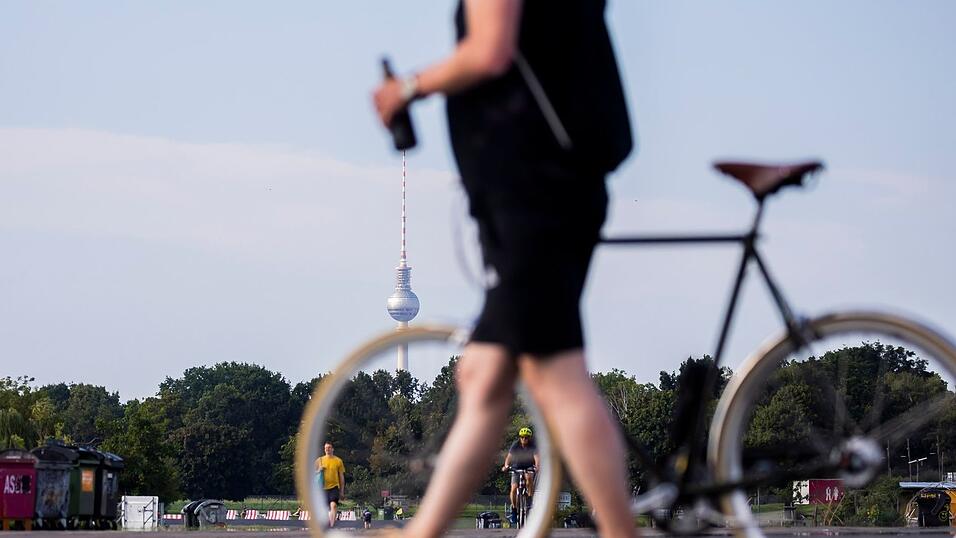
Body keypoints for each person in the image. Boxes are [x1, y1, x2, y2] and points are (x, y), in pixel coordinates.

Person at [372, 1, 636, 537]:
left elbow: (489, 51)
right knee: (485, 375)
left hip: (533, 194)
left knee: (555, 375)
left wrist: (407, 88)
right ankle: (422, 532)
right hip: (548, 188)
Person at [501, 426, 539, 523]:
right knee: (514, 488)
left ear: (529, 438)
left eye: (526, 437)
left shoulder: (533, 446)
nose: (524, 439)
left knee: (529, 478)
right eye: (522, 437)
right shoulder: (515, 445)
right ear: (520, 437)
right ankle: (514, 509)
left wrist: (537, 467)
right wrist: (506, 466)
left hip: (529, 467)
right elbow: (509, 457)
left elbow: (536, 458)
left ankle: (529, 500)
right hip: (516, 467)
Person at [314, 442, 346, 528]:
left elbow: (341, 477)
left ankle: (332, 525)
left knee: (334, 505)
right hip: (322, 488)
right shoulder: (319, 460)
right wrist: (318, 470)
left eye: (329, 447)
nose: (327, 449)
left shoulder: (338, 461)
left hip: (334, 487)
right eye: (326, 448)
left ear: (333, 449)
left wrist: (342, 491)